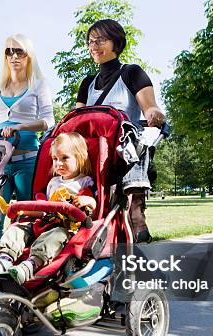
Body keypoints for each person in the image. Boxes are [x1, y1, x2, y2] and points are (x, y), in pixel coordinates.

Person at [75, 19, 166, 243]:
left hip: (123, 148)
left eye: (100, 40)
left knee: (137, 139)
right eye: (90, 41)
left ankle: (136, 210)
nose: (93, 45)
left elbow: (150, 107)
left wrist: (155, 115)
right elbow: (75, 121)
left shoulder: (132, 73)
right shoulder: (87, 83)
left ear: (116, 42)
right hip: (92, 151)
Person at [0, 132, 96, 284]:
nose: (59, 164)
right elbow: (44, 208)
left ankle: (30, 266)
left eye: (65, 158)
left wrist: (87, 200)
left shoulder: (84, 182)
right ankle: (4, 259)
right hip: (43, 221)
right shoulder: (53, 183)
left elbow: (94, 204)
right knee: (16, 229)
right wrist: (21, 209)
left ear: (80, 158)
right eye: (55, 159)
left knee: (52, 238)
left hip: (65, 227)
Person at [0, 34, 55, 207]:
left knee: (27, 211)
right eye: (9, 52)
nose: (14, 56)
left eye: (19, 51)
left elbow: (49, 121)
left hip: (26, 158)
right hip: (0, 159)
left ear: (29, 55)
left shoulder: (39, 84)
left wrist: (21, 126)